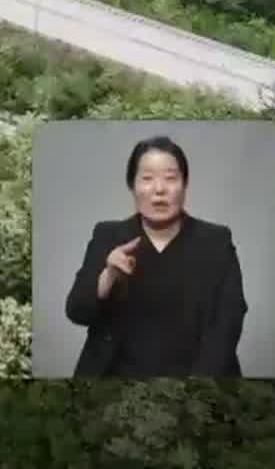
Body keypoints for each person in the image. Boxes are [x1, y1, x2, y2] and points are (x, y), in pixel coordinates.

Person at [65, 136, 247, 376]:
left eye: (171, 178)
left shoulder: (215, 241)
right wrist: (108, 276)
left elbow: (229, 321)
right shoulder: (108, 235)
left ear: (184, 185)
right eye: (147, 179)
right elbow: (77, 311)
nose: (159, 190)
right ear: (132, 186)